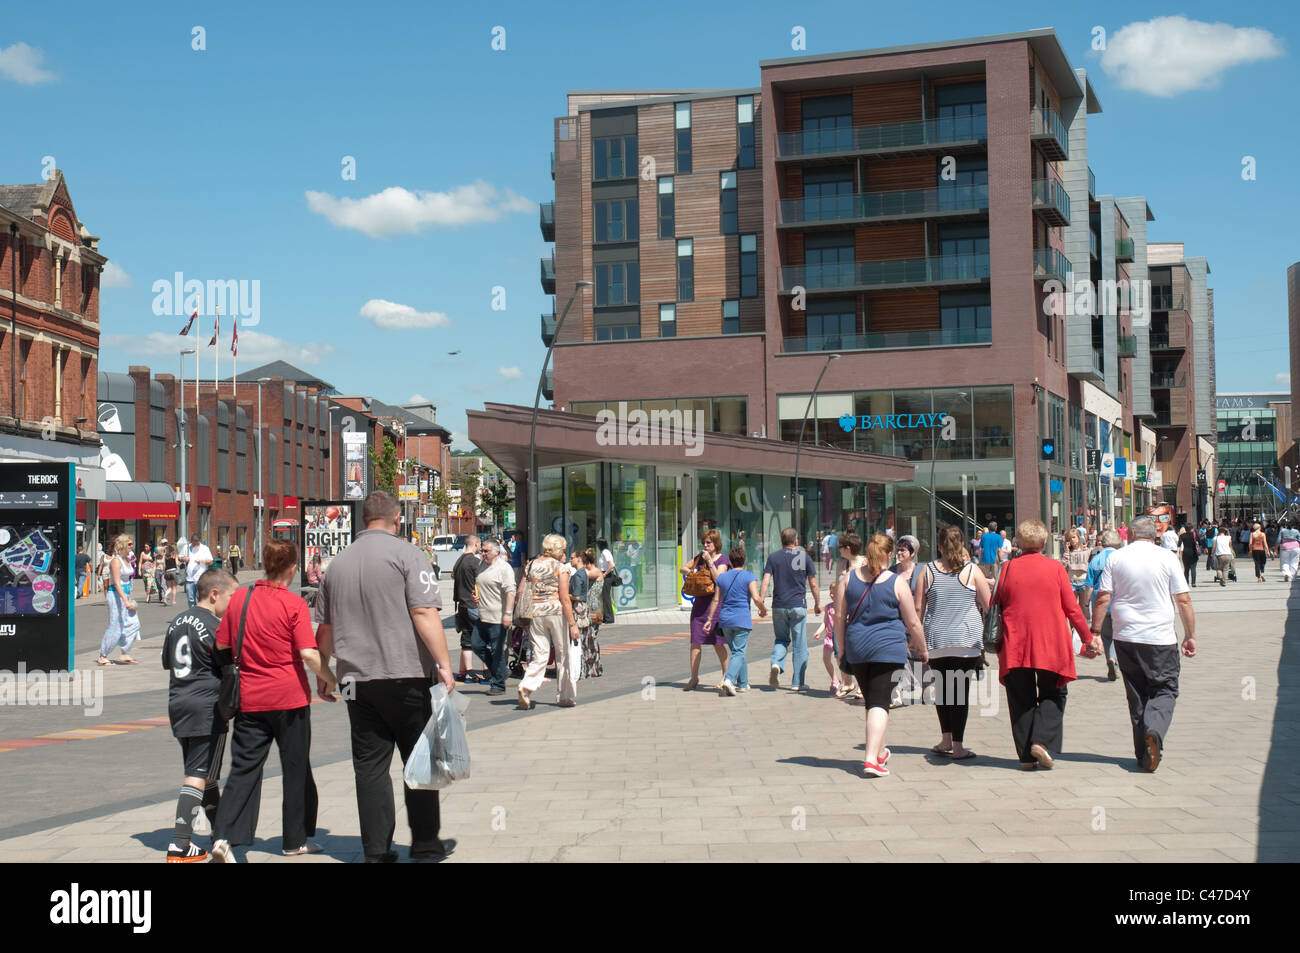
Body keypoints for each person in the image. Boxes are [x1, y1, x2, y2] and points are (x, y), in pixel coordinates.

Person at [312, 490, 455, 862]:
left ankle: (375, 850)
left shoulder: (336, 565)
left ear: (363, 521)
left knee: (370, 766)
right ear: (396, 520)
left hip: (357, 681)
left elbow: (324, 630)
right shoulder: (408, 555)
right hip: (406, 674)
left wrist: (324, 673)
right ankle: (424, 841)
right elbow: (424, 612)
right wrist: (443, 662)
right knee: (418, 758)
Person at [209, 540, 336, 862]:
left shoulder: (240, 599)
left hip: (250, 701)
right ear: (292, 569)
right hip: (289, 699)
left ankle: (224, 837)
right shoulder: (292, 604)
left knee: (243, 769)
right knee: (295, 769)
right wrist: (331, 679)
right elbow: (308, 653)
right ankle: (295, 840)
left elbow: (222, 645)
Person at [993, 519, 1100, 771]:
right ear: (1044, 542)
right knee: (1054, 693)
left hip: (1015, 643)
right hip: (1050, 643)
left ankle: (1026, 759)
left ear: (1018, 542)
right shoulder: (1054, 568)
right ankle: (1040, 740)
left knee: (1021, 699)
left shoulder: (1007, 569)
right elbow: (1072, 609)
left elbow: (995, 602)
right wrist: (1088, 639)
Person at [1092, 516, 1197, 772]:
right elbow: (1183, 600)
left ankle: (1143, 752)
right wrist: (1190, 635)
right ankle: (1154, 731)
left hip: (1125, 636)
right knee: (1164, 689)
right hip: (1159, 637)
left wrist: (1095, 631)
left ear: (1130, 532)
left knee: (1136, 693)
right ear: (1156, 533)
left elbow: (1103, 596)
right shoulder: (1167, 558)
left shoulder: (1116, 558)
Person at [161, 567, 239, 862]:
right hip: (207, 706)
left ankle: (220, 834)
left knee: (205, 774)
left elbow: (167, 661)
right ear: (215, 594)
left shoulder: (176, 621)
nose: (233, 603)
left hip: (179, 702)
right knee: (197, 774)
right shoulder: (215, 626)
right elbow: (228, 665)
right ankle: (180, 843)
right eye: (231, 596)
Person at [834, 534, 927, 777]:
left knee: (874, 701)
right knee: (879, 702)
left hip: (857, 649)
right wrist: (923, 648)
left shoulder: (848, 578)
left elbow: (838, 618)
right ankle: (870, 759)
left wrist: (841, 649)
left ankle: (880, 751)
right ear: (888, 555)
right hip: (888, 650)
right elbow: (913, 623)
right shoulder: (896, 582)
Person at [914, 525, 991, 760]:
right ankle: (958, 746)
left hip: (937, 640)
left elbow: (918, 608)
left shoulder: (926, 572)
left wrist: (916, 641)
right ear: (962, 546)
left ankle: (946, 739)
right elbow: (988, 605)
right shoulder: (972, 571)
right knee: (959, 693)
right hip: (966, 641)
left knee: (944, 691)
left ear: (938, 545)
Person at [517, 534, 580, 710]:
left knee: (540, 654)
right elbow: (564, 598)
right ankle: (564, 696)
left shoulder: (532, 565)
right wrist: (573, 624)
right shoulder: (561, 568)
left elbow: (522, 589)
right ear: (558, 549)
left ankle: (527, 686)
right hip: (556, 613)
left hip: (536, 613)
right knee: (563, 654)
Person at [760, 528, 822, 691]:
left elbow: (766, 581)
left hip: (779, 605)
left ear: (782, 541)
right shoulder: (804, 557)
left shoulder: (773, 557)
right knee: (799, 644)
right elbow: (813, 583)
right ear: (796, 541)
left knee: (781, 639)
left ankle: (776, 664)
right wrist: (817, 603)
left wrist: (760, 603)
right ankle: (797, 682)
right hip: (798, 605)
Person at [702, 547, 767, 696]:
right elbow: (756, 598)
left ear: (730, 561)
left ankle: (743, 683)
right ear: (745, 560)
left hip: (725, 620)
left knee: (737, 651)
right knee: (739, 652)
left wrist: (710, 619)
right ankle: (729, 680)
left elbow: (716, 599)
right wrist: (763, 609)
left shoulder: (721, 578)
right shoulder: (749, 576)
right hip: (741, 619)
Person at [682, 528, 729, 691]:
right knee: (695, 642)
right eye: (704, 542)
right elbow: (683, 568)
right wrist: (695, 573)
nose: (705, 545)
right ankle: (694, 678)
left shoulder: (723, 559)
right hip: (699, 605)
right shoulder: (699, 558)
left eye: (708, 542)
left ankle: (726, 676)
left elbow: (719, 579)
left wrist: (709, 562)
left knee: (718, 643)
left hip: (715, 605)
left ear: (716, 543)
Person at [472, 538, 517, 696]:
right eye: (482, 550)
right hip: (483, 614)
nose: (483, 553)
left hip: (498, 616)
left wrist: (508, 613)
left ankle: (498, 685)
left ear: (497, 552)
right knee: (476, 645)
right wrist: (476, 596)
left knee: (497, 652)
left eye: (486, 551)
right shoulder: (482, 565)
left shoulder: (504, 568)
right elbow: (480, 585)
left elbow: (511, 591)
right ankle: (501, 672)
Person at [1083, 529, 1123, 681]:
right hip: (1120, 602)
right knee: (1120, 635)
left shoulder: (1096, 560)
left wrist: (1086, 605)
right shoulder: (1122, 558)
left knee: (1106, 636)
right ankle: (1117, 661)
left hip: (1101, 604)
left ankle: (1111, 659)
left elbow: (1089, 586)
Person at [97, 534, 140, 666]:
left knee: (133, 623)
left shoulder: (126, 559)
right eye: (129, 544)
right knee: (115, 625)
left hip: (125, 594)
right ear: (122, 545)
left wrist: (127, 598)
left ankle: (125, 653)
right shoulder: (116, 561)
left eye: (132, 544)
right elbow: (116, 583)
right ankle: (103, 655)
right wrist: (125, 600)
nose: (131, 546)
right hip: (115, 595)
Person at [888, 535, 921, 707]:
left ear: (913, 553)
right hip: (896, 620)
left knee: (917, 657)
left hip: (916, 619)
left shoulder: (920, 571)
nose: (899, 552)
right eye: (898, 549)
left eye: (903, 550)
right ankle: (897, 692)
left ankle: (921, 685)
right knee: (899, 656)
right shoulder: (891, 571)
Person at [451, 535, 484, 682]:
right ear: (476, 544)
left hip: (461, 605)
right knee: (485, 638)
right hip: (473, 604)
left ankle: (463, 672)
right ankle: (486, 671)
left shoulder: (459, 561)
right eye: (479, 545)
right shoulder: (475, 562)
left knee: (466, 638)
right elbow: (482, 581)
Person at [580, 551, 605, 677]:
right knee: (587, 638)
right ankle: (590, 666)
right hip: (589, 606)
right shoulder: (591, 571)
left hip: (593, 608)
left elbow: (584, 575)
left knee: (592, 637)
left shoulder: (595, 571)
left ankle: (595, 666)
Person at [1061, 529, 1090, 615]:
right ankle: (1073, 628)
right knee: (1072, 608)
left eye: (1074, 537)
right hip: (1071, 581)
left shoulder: (1086, 550)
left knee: (1082, 608)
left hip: (1083, 580)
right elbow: (1063, 565)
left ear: (1078, 537)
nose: (1072, 540)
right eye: (1069, 538)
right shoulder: (1068, 552)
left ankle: (1080, 627)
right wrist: (1067, 551)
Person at [185, 534, 213, 607]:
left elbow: (210, 561)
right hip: (189, 578)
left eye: (197, 543)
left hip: (200, 577)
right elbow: (179, 557)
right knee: (190, 598)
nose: (195, 544)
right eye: (194, 543)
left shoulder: (204, 549)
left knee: (200, 597)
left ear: (199, 541)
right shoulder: (187, 547)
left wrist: (201, 561)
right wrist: (183, 559)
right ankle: (192, 612)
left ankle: (200, 612)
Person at [595, 537, 618, 625]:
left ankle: (609, 618)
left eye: (598, 544)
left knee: (606, 597)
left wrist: (604, 574)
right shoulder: (604, 552)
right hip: (604, 574)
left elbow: (612, 565)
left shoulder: (605, 552)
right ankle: (606, 617)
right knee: (604, 597)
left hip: (607, 576)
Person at [1176, 524, 1199, 588]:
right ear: (1191, 529)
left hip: (1185, 553)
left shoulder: (1182, 535)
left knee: (1186, 569)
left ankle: (1186, 582)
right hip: (1194, 552)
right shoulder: (1194, 535)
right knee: (1193, 568)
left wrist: (1178, 553)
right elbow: (1199, 542)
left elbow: (1179, 545)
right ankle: (1193, 583)